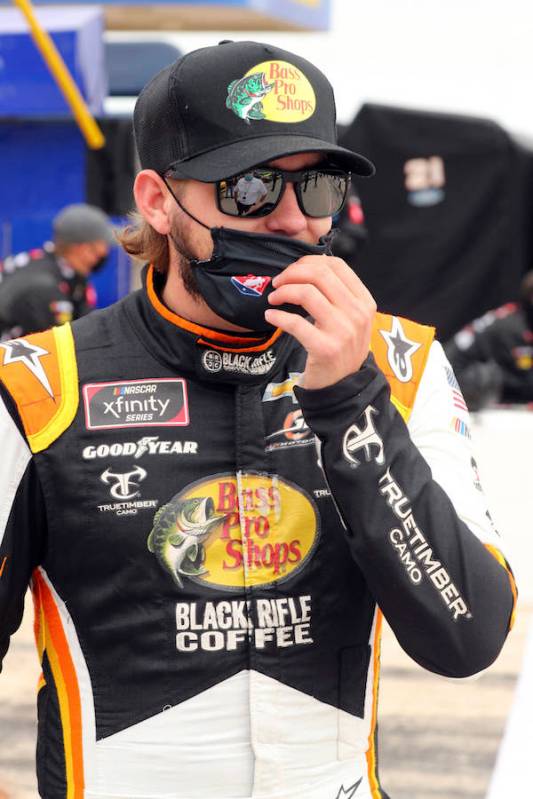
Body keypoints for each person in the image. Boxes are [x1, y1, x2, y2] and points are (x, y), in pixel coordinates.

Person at [0, 40, 516, 799]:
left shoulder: (401, 367)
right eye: (247, 187)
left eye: (318, 190)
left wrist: (350, 402)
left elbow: (466, 637)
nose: (288, 220)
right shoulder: (39, 386)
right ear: (156, 200)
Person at [0, 203, 115, 340]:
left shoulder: (54, 267)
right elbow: (62, 348)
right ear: (83, 249)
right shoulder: (44, 289)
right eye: (103, 246)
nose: (106, 252)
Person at [444, 271, 533, 409]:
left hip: (472, 376)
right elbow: (524, 379)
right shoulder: (513, 328)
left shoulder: (518, 317)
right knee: (493, 376)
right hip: (454, 379)